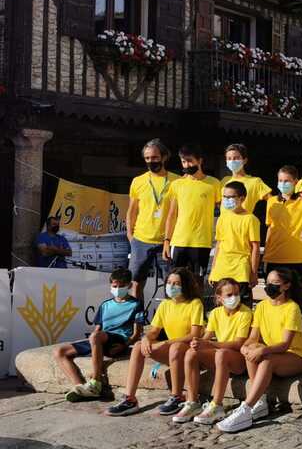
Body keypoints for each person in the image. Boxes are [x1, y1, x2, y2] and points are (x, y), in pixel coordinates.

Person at [216, 268, 302, 432]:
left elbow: (285, 345)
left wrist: (263, 350)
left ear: (286, 286)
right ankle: (260, 401)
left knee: (267, 360)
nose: (270, 287)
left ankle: (245, 409)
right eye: (268, 283)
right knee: (252, 349)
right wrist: (246, 346)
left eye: (275, 284)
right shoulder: (261, 307)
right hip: (272, 352)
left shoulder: (292, 308)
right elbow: (253, 336)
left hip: (294, 356)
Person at [107, 267, 205, 417]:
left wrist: (166, 343)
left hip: (190, 352)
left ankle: (177, 396)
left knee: (176, 347)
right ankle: (130, 398)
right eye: (169, 282)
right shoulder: (165, 304)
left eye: (176, 283)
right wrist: (146, 338)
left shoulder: (195, 303)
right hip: (173, 351)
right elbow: (154, 331)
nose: (172, 286)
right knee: (139, 346)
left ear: (185, 285)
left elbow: (194, 334)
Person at [56, 268, 144, 402]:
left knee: (96, 336)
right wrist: (92, 341)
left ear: (129, 286)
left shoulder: (136, 304)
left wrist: (124, 346)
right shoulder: (105, 305)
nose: (118, 289)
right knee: (59, 352)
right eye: (115, 286)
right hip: (100, 340)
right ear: (110, 286)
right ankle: (80, 388)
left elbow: (137, 333)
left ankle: (96, 382)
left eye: (122, 286)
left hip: (119, 340)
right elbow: (97, 329)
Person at [174, 277, 252, 424]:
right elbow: (207, 336)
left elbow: (238, 344)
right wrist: (198, 343)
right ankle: (192, 402)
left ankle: (217, 405)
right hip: (220, 354)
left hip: (238, 359)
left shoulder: (245, 313)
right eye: (229, 295)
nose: (234, 297)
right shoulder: (216, 313)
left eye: (236, 293)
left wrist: (208, 344)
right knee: (191, 353)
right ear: (219, 298)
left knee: (221, 353)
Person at [127, 139, 179, 299]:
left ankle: (169, 321)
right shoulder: (138, 181)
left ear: (164, 157)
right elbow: (131, 211)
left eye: (155, 157)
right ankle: (138, 321)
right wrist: (131, 236)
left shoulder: (177, 181)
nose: (151, 161)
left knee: (171, 284)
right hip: (141, 239)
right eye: (147, 158)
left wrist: (170, 239)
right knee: (135, 282)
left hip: (167, 240)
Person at [162, 144, 221, 279]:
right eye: (183, 161)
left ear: (199, 161)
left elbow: (223, 213)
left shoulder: (214, 184)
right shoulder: (176, 184)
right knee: (174, 281)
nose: (186, 165)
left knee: (197, 281)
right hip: (178, 241)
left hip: (202, 242)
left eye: (189, 161)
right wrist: (167, 241)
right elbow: (171, 215)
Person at [208, 181, 261, 298]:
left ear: (242, 198)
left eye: (231, 197)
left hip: (240, 270)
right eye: (225, 197)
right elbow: (219, 245)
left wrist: (253, 273)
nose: (227, 200)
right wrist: (213, 270)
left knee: (241, 306)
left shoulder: (250, 219)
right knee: (221, 306)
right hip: (221, 269)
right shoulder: (222, 218)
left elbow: (255, 248)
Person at [263, 166, 302, 278]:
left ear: (296, 182)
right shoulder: (271, 201)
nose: (283, 184)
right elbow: (270, 228)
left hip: (298, 258)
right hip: (274, 257)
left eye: (287, 181)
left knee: (298, 294)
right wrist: (265, 254)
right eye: (280, 180)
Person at [220, 143, 272, 214]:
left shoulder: (255, 181)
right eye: (229, 158)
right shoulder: (224, 181)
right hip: (224, 223)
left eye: (236, 158)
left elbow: (272, 201)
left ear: (245, 160)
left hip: (244, 223)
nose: (232, 161)